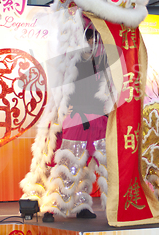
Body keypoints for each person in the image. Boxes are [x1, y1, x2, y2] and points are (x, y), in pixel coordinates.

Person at [42, 28, 109, 222]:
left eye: (95, 39)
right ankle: (53, 205)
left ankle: (82, 205)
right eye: (89, 38)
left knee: (90, 167)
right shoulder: (71, 60)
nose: (92, 42)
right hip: (76, 118)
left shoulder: (103, 61)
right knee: (69, 164)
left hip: (98, 120)